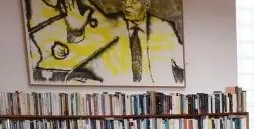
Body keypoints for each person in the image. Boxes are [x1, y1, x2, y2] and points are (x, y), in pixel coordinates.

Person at [27, 0, 184, 85]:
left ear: (147, 4)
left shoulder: (164, 28)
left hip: (157, 101)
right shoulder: (111, 25)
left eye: (134, 1)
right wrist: (76, 32)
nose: (127, 5)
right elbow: (85, 50)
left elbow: (182, 65)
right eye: (125, 0)